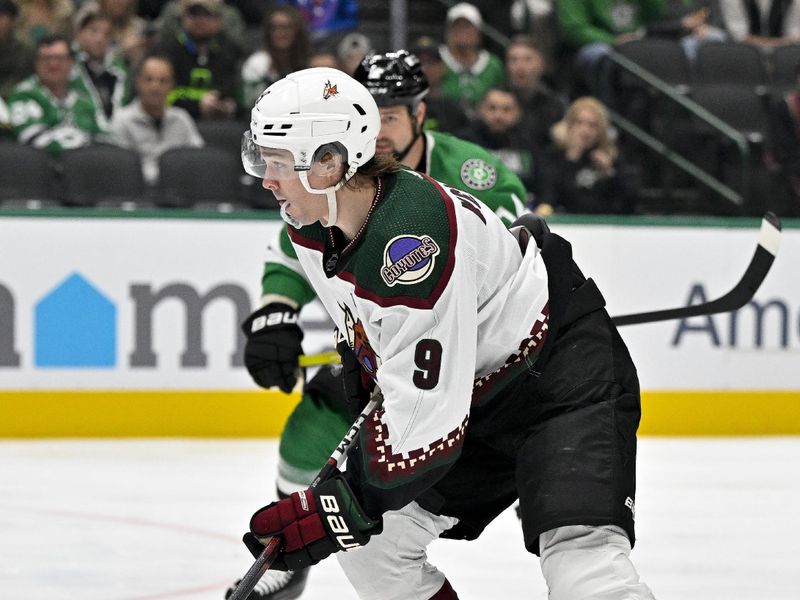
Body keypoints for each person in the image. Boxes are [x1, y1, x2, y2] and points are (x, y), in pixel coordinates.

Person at [233, 65, 656, 600]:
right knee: (370, 547)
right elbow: (378, 346)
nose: (266, 180)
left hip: (560, 385)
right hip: (472, 394)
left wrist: (329, 509)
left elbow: (424, 425)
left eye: (277, 164)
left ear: (330, 163)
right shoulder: (310, 224)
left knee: (582, 564)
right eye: (261, 160)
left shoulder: (411, 241)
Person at [224, 50, 529, 600]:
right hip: (383, 354)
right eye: (373, 110)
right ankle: (293, 558)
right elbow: (296, 247)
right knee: (310, 426)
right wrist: (276, 311)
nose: (381, 127)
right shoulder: (317, 180)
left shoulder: (471, 172)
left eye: (391, 114)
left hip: (473, 369)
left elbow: (505, 255)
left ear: (419, 114)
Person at [7, 33, 106, 158]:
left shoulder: (84, 97)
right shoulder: (23, 95)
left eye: (60, 58)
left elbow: (105, 135)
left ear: (71, 62)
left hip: (85, 169)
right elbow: (33, 138)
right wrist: (86, 145)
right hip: (42, 170)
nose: (53, 64)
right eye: (46, 58)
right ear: (36, 63)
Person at [109, 54, 203, 185]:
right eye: (148, 80)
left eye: (163, 81)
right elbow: (119, 168)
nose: (155, 87)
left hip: (180, 191)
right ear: (137, 82)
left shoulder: (182, 118)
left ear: (172, 85)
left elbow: (199, 159)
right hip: (138, 194)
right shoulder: (122, 120)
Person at [539, 96, 638, 215]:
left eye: (592, 125)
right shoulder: (554, 157)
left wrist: (609, 173)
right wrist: (572, 158)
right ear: (569, 126)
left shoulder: (612, 158)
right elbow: (550, 197)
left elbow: (628, 202)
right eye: (579, 123)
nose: (585, 131)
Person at [151, 0, 243, 121]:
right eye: (194, 14)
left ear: (219, 20)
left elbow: (237, 92)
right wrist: (197, 105)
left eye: (207, 14)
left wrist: (228, 103)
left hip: (222, 124)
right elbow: (160, 94)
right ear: (184, 18)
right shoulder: (166, 50)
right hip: (172, 120)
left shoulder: (231, 51)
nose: (200, 20)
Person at [460, 84, 549, 205]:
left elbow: (545, 184)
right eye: (492, 108)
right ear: (481, 109)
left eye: (506, 110)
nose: (498, 116)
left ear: (518, 112)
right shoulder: (464, 143)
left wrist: (544, 205)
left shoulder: (529, 143)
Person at [440, 2, 506, 116]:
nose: (462, 32)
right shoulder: (437, 59)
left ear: (478, 31)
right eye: (457, 27)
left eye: (467, 26)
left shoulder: (493, 65)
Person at [240, 4, 310, 110]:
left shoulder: (309, 62)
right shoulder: (258, 64)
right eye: (274, 28)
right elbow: (250, 103)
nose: (280, 33)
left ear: (297, 31)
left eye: (286, 27)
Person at [505, 35, 566, 148]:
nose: (520, 67)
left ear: (541, 65)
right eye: (514, 60)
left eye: (527, 59)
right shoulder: (495, 102)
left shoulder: (555, 105)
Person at [72, 2, 131, 120]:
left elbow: (123, 106)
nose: (100, 38)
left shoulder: (119, 70)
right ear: (79, 33)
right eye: (94, 31)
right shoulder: (68, 65)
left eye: (106, 34)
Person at [0, 0, 36, 99]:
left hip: (14, 96)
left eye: (2, 18)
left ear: (14, 21)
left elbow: (19, 78)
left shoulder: (24, 49)